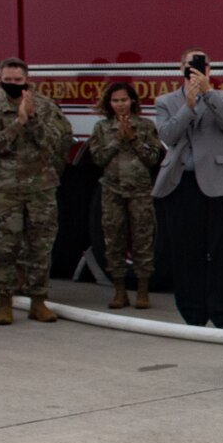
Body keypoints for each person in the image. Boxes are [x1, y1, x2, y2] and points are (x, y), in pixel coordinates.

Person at [0, 58, 73, 326]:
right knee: (4, 246)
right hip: (5, 189)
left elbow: (55, 143)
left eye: (18, 80)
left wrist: (32, 119)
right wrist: (17, 123)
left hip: (40, 188)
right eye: (8, 79)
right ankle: (4, 303)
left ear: (27, 79)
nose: (13, 84)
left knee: (40, 246)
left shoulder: (44, 107)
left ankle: (38, 302)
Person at [153, 48, 223, 329]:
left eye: (202, 65)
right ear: (180, 68)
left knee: (220, 252)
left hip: (217, 183)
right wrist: (188, 106)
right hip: (182, 183)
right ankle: (193, 314)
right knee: (185, 251)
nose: (196, 69)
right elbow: (168, 135)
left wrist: (208, 94)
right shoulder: (166, 101)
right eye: (191, 65)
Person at [87, 81, 165, 310]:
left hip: (140, 190)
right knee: (113, 239)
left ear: (132, 101)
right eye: (115, 101)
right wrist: (116, 139)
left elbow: (153, 158)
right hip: (112, 189)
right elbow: (98, 159)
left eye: (124, 100)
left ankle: (142, 290)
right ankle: (119, 291)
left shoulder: (146, 126)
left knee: (143, 239)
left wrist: (133, 138)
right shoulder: (102, 128)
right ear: (109, 104)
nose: (120, 105)